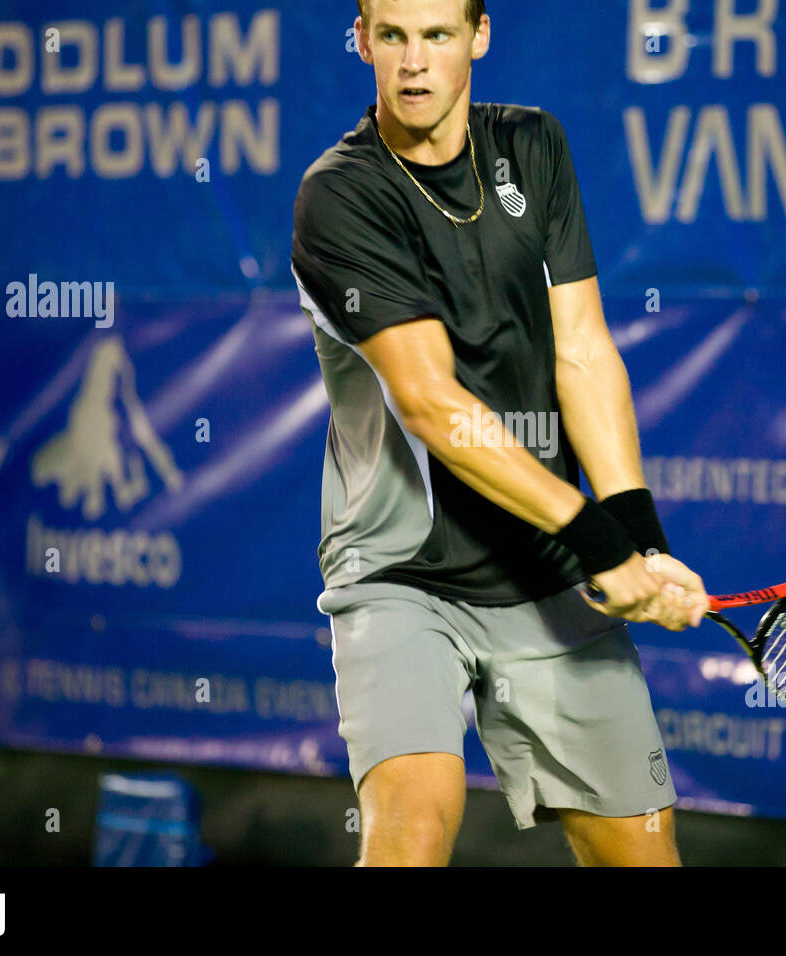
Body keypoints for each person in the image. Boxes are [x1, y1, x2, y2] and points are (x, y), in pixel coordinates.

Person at [290, 0, 709, 866]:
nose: (414, 63)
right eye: (393, 36)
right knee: (412, 827)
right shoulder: (339, 195)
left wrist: (638, 536)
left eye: (437, 35)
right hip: (402, 572)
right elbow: (434, 406)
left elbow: (584, 352)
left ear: (479, 37)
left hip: (546, 570)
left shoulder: (534, 146)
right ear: (361, 39)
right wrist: (596, 538)